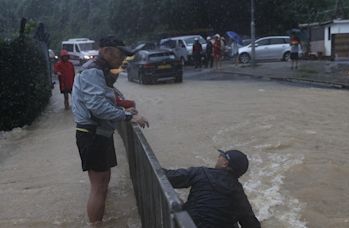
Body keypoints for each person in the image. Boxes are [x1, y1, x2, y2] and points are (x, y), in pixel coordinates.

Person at [71, 35, 149, 225]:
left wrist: (122, 109)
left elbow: (104, 100)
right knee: (98, 187)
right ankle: (95, 224)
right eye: (120, 54)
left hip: (99, 133)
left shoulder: (101, 71)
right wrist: (129, 116)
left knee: (103, 182)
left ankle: (98, 222)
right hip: (92, 134)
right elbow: (97, 106)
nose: (122, 59)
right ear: (106, 51)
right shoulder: (93, 72)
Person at [163, 149, 261, 228]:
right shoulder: (239, 193)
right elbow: (251, 224)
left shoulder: (201, 172)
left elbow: (168, 177)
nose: (218, 157)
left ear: (225, 164)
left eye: (221, 156)